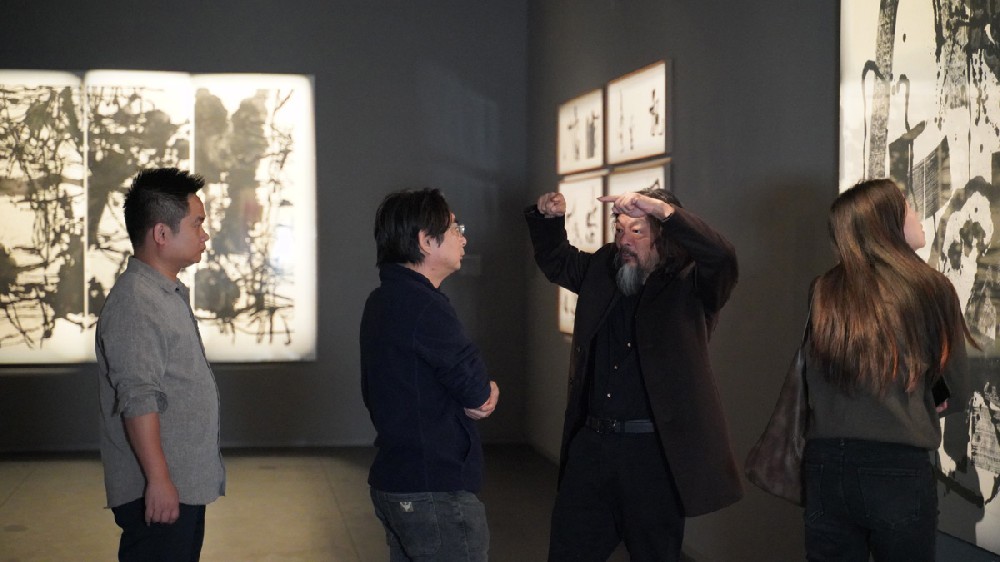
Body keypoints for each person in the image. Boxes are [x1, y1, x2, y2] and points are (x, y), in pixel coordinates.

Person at [525, 187, 742, 561]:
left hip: (653, 455)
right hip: (592, 447)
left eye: (637, 231)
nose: (624, 241)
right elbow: (557, 260)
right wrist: (548, 219)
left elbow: (722, 258)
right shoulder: (603, 269)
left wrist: (666, 211)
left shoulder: (692, 283)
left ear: (664, 236)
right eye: (620, 229)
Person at [802, 178, 973, 561]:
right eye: (908, 207)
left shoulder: (825, 289)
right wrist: (929, 396)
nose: (917, 214)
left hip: (825, 464)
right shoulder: (931, 288)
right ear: (887, 223)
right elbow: (953, 390)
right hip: (896, 467)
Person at [360, 188, 500, 562]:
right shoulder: (425, 306)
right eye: (455, 228)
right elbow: (478, 393)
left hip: (397, 479)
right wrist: (490, 388)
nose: (463, 238)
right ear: (425, 241)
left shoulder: (382, 300)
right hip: (433, 488)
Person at [96, 168, 224, 562]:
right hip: (158, 492)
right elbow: (138, 398)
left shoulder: (162, 293)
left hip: (178, 486)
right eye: (197, 223)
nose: (205, 234)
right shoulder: (136, 301)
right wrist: (159, 480)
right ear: (162, 234)